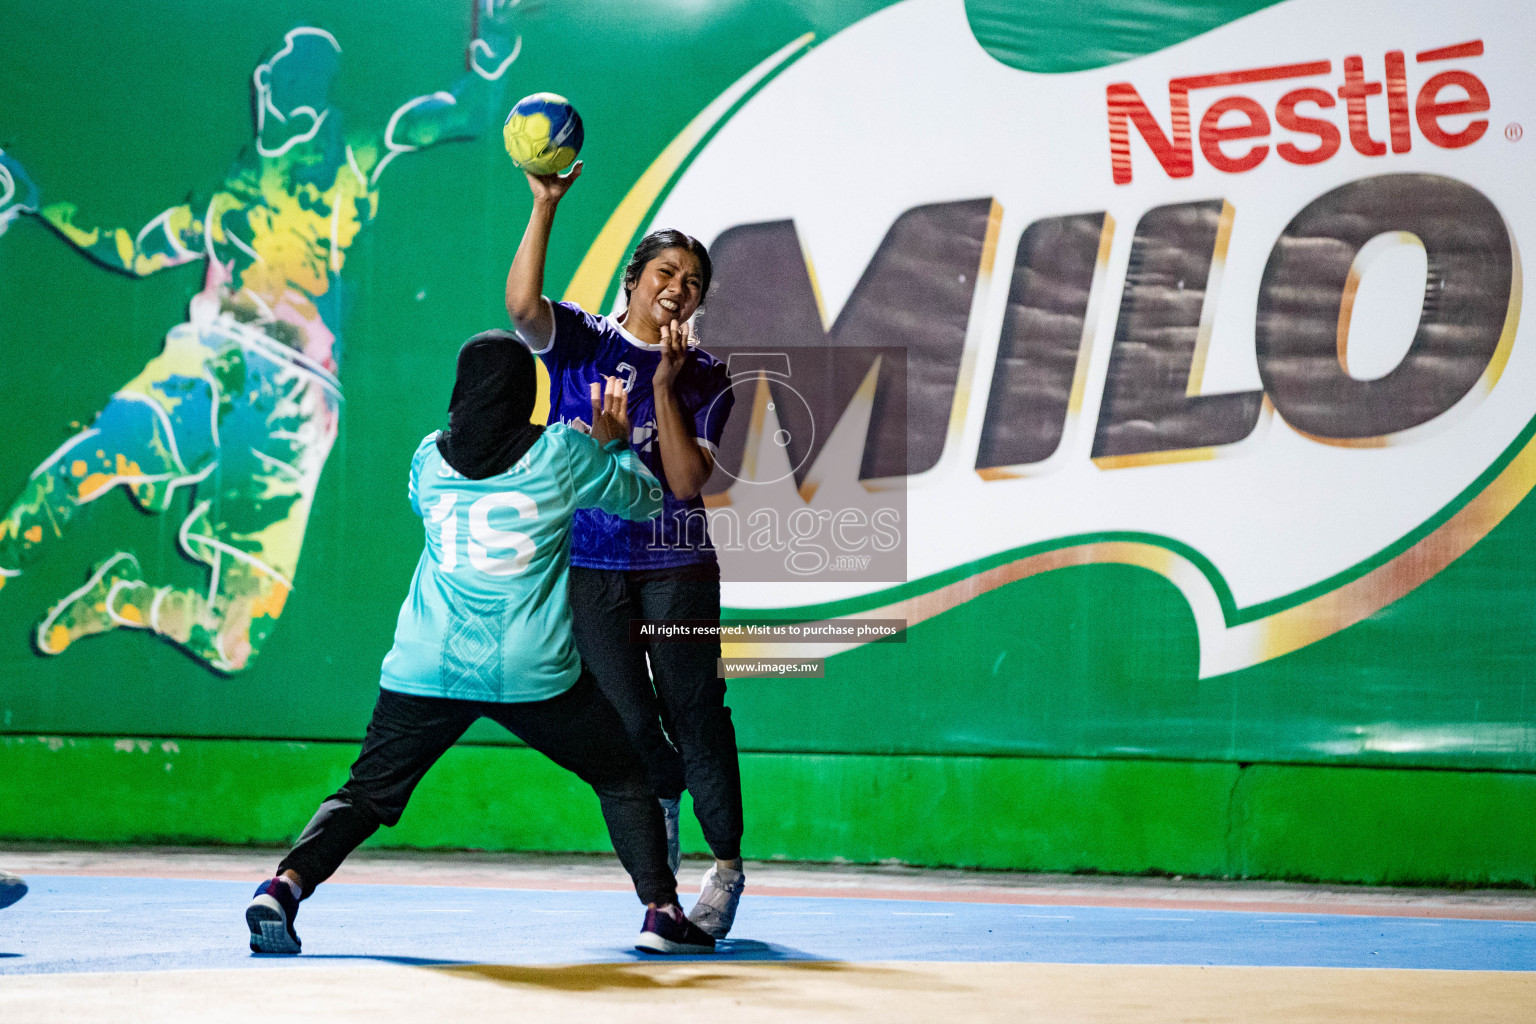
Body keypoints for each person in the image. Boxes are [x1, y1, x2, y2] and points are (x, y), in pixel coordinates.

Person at [0, 4, 521, 672]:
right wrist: (39, 202)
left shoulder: (352, 156)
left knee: (232, 641)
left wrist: (496, 43)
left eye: (313, 69)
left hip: (297, 400)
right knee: (82, 470)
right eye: (285, 66)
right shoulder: (224, 198)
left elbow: (463, 113)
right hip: (209, 360)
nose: (293, 76)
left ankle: (123, 599)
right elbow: (130, 248)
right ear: (265, 84)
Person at [245, 332, 717, 956]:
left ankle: (284, 886)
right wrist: (613, 447)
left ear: (460, 390)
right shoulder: (561, 454)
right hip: (531, 670)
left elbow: (425, 504)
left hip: (428, 663)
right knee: (625, 776)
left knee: (366, 792)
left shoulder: (428, 459)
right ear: (528, 392)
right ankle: (661, 913)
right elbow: (645, 500)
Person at [505, 163, 745, 939]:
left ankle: (728, 866)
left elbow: (681, 480)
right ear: (634, 280)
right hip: (593, 562)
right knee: (625, 720)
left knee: (696, 710)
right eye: (666, 273)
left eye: (694, 280)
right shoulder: (580, 341)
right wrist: (545, 205)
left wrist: (669, 387)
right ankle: (661, 811)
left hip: (676, 564)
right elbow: (520, 307)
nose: (679, 287)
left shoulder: (709, 377)